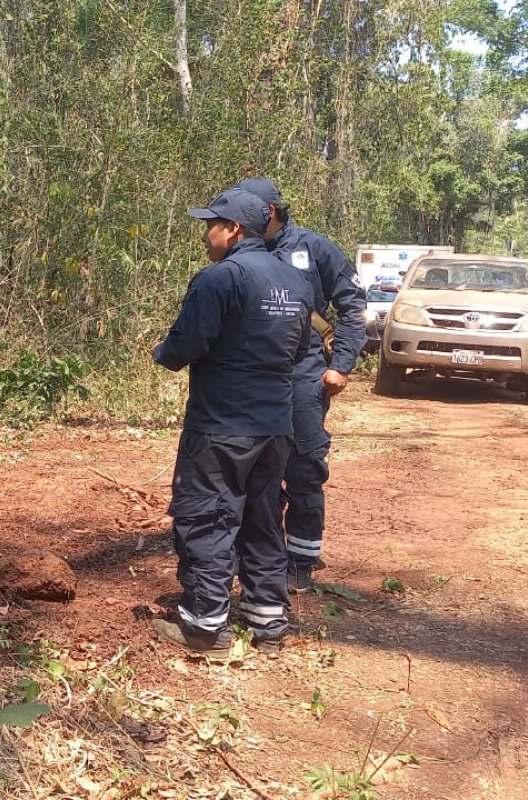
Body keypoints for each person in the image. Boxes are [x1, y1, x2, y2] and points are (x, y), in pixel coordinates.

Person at [150, 188, 312, 657]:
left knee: (207, 518)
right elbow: (301, 351)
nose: (206, 236)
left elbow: (183, 348)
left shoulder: (219, 279)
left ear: (233, 230)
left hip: (222, 426)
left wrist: (163, 351)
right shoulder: (296, 282)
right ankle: (268, 624)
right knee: (262, 519)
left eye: (211, 226)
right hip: (275, 428)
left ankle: (205, 629)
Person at [236, 178, 366, 593]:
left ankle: (302, 559)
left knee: (305, 465)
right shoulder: (239, 253)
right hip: (254, 378)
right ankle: (261, 555)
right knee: (254, 468)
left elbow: (352, 306)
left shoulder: (314, 248)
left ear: (268, 212)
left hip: (306, 375)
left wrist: (341, 365)